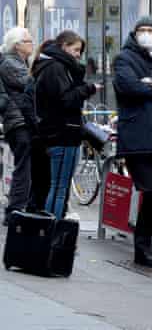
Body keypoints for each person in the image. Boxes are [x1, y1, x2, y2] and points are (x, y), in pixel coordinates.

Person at [112, 16, 152, 268]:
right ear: (135, 33)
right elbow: (129, 88)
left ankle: (144, 249)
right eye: (142, 30)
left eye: (151, 30)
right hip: (136, 136)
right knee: (150, 191)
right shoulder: (124, 58)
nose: (147, 34)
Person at [32, 30, 100, 219]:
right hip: (62, 134)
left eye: (80, 51)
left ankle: (51, 228)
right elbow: (66, 99)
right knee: (59, 187)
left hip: (60, 133)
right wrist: (88, 89)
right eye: (76, 49)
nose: (78, 54)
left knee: (58, 186)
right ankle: (53, 229)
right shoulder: (56, 68)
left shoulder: (53, 66)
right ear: (64, 47)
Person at [0, 27, 30, 222]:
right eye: (28, 41)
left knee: (25, 166)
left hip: (18, 120)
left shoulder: (17, 61)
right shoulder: (11, 63)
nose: (31, 43)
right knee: (24, 167)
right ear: (17, 45)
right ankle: (14, 210)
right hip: (18, 121)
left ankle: (17, 208)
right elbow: (30, 83)